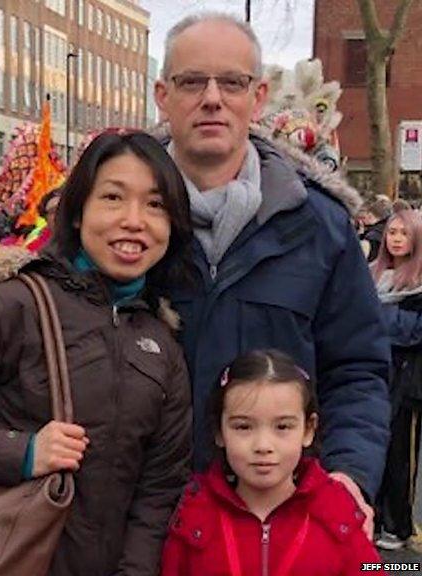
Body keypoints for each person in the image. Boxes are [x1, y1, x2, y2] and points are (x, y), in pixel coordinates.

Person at [0, 132, 194, 575]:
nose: (134, 220)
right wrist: (20, 452)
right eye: (113, 198)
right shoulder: (10, 305)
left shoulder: (161, 344)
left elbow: (158, 490)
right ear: (78, 212)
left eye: (155, 205)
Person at [154, 12, 390, 523]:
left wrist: (350, 474)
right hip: (142, 525)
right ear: (162, 95)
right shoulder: (116, 226)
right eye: (192, 80)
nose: (212, 98)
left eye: (232, 82)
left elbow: (357, 368)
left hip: (281, 520)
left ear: (257, 97)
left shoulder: (321, 228)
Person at [161, 350, 383, 575]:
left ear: (308, 429)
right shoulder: (194, 514)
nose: (263, 445)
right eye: (243, 427)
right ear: (219, 431)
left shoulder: (336, 514)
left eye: (283, 427)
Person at [369, 210, 422, 550]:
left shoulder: (418, 281)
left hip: (407, 382)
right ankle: (370, 516)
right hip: (372, 374)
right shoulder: (371, 274)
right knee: (371, 445)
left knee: (400, 453)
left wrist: (376, 318)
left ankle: (397, 523)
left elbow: (413, 331)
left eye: (404, 233)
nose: (396, 238)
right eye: (392, 232)